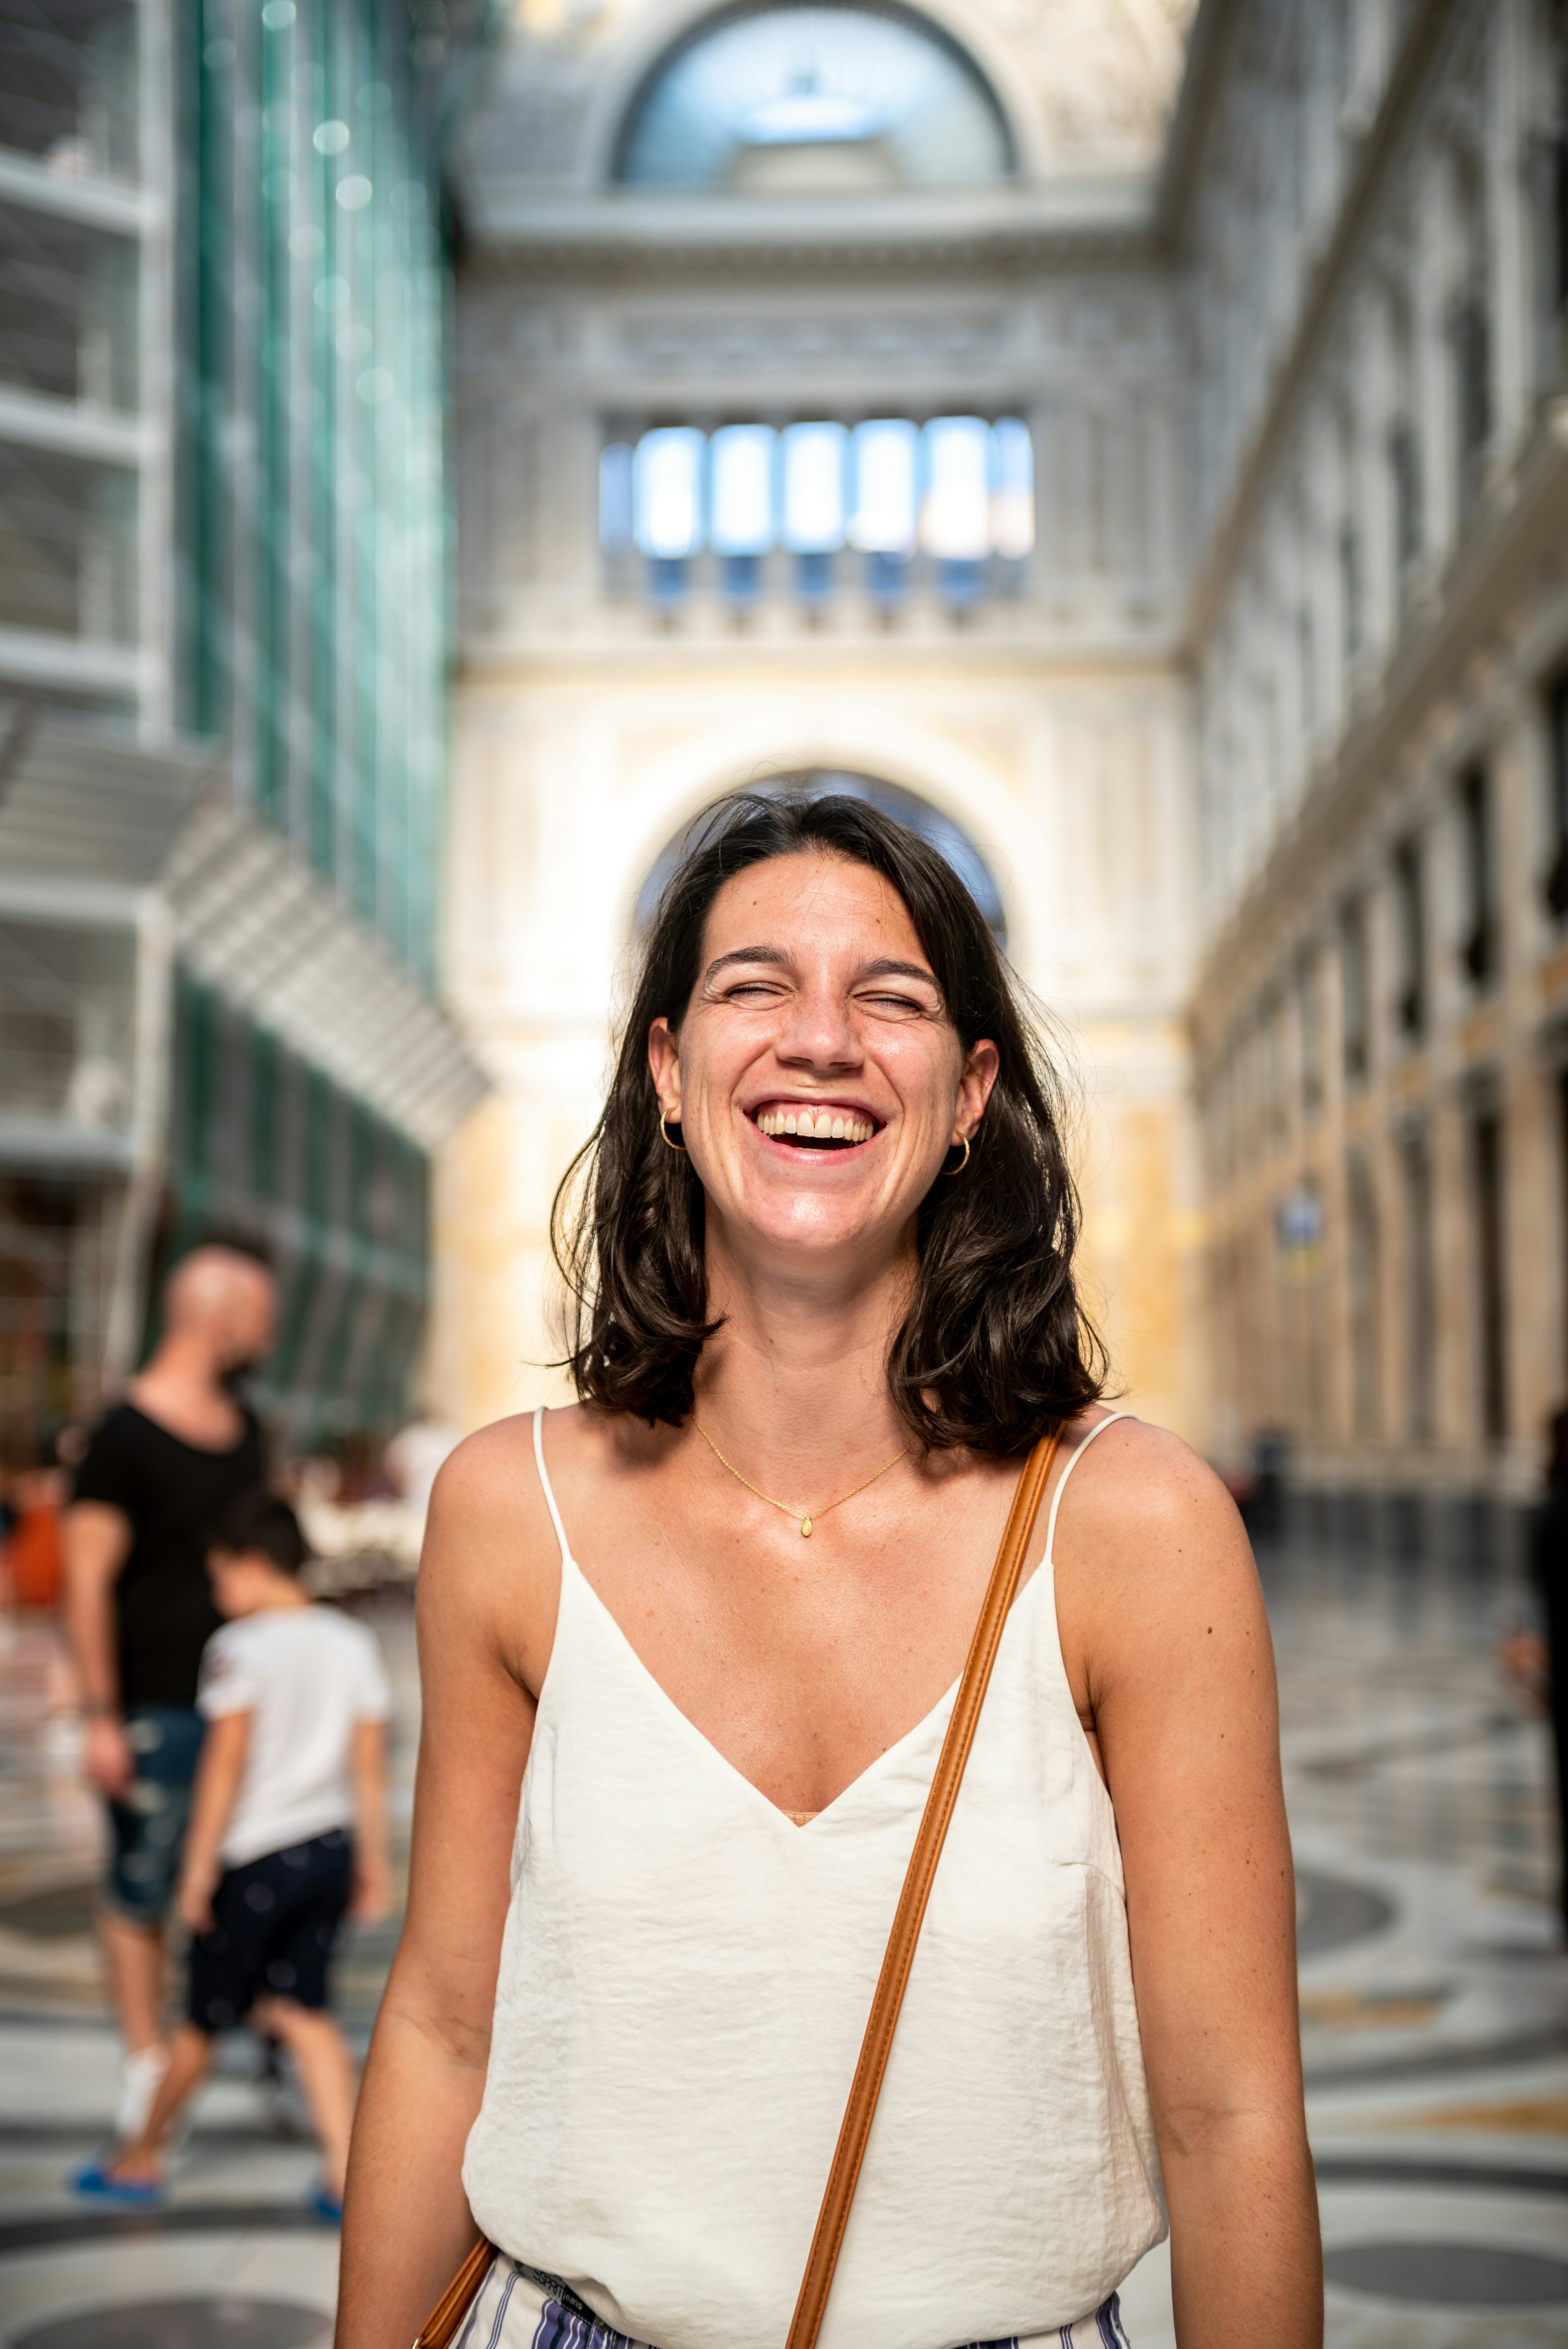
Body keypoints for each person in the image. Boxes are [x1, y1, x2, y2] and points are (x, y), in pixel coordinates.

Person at [340, 792, 1321, 2349]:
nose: (819, 1040)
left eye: (891, 997)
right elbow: (443, 2025)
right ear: (667, 1071)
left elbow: (1230, 2116)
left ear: (965, 1093)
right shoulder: (505, 1510)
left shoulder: (1133, 1528)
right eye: (753, 988)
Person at [74, 1488, 392, 2212]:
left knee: (199, 2019)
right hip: (330, 1850)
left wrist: (196, 1870)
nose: (219, 1599)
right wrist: (372, 1860)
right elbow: (368, 1763)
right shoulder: (351, 1642)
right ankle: (345, 2171)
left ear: (252, 1567)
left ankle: (141, 2157)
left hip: (254, 1858)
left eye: (220, 1580)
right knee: (307, 2011)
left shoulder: (237, 1650)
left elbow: (225, 1762)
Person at [62, 1239, 276, 2137]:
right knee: (142, 1887)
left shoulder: (252, 1432)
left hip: (246, 1704)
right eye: (260, 1314)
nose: (269, 1332)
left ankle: (259, 2039)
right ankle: (147, 2058)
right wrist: (100, 1716)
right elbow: (84, 1581)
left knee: (247, 1878)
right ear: (218, 1318)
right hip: (154, 1706)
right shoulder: (120, 1437)